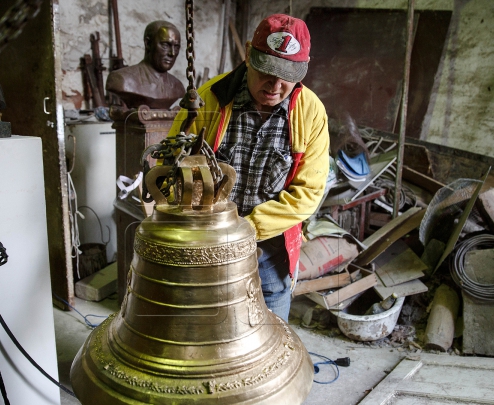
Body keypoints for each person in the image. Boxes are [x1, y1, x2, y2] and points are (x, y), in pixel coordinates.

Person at [168, 14, 330, 322]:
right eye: (267, 71)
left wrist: (246, 230)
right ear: (248, 55)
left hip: (269, 252)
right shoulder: (209, 99)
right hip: (208, 242)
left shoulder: (310, 113)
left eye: (286, 76)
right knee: (204, 328)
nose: (275, 85)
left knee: (270, 338)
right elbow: (174, 168)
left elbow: (308, 192)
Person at [106, 20, 186, 110]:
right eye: (165, 45)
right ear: (148, 44)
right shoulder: (122, 79)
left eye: (176, 47)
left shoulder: (177, 86)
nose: (172, 53)